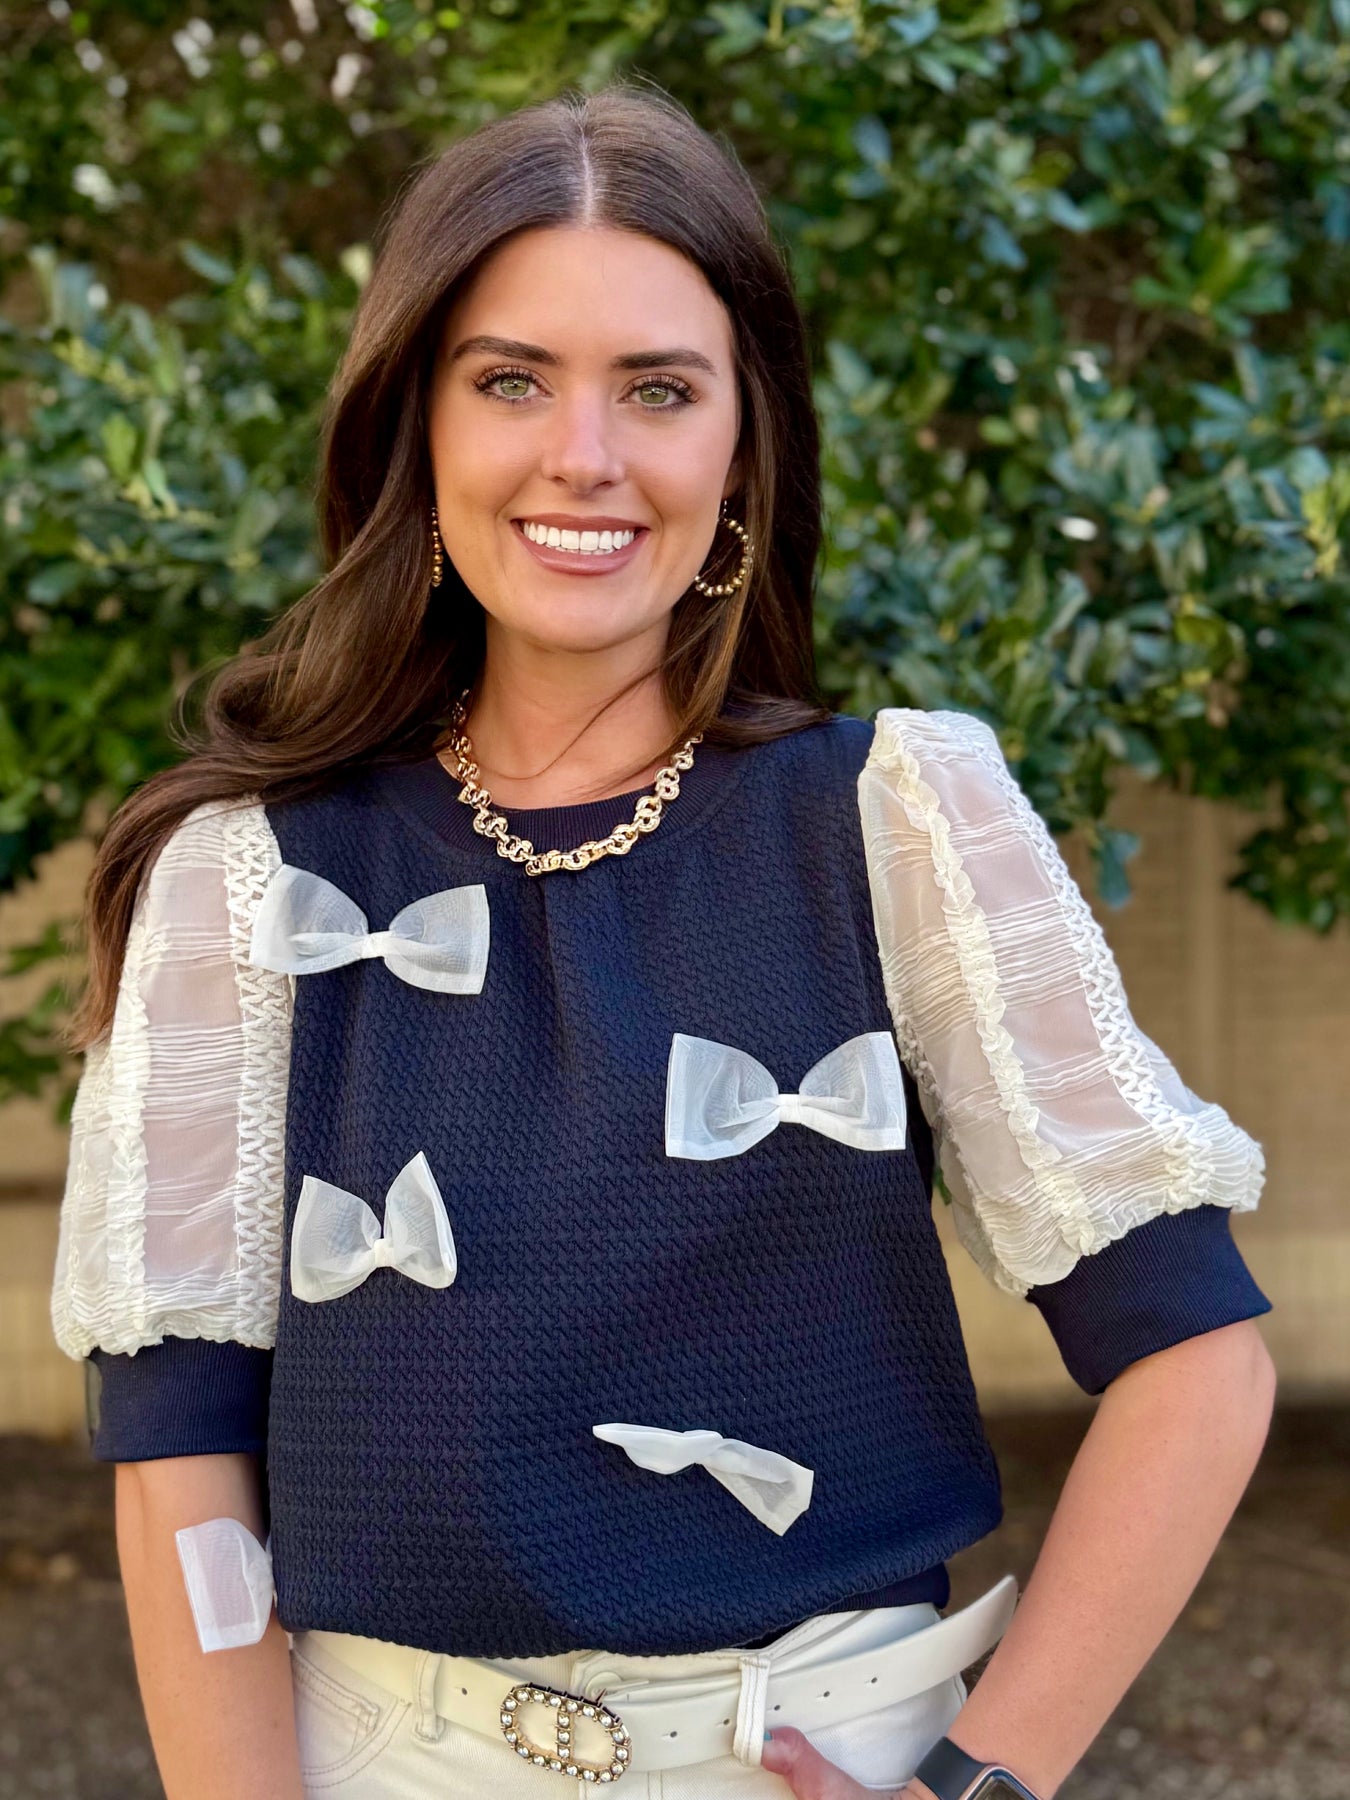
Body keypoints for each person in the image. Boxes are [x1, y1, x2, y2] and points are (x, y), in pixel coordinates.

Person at [51, 79, 1277, 1800]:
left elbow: (1196, 1359)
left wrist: (974, 1789)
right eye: (509, 381)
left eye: (658, 388)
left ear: (741, 443)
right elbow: (181, 1464)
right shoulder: (245, 876)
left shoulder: (898, 819)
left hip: (820, 1745)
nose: (585, 454)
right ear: (415, 426)